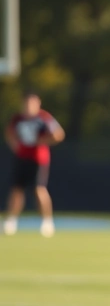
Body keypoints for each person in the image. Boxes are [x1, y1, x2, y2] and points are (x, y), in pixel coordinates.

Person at [2, 91, 64, 237]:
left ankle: (47, 222)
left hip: (38, 159)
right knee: (17, 189)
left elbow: (58, 134)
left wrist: (42, 142)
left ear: (38, 103)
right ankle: (11, 221)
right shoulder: (17, 118)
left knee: (39, 189)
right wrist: (14, 144)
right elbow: (9, 133)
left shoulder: (43, 118)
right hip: (21, 158)